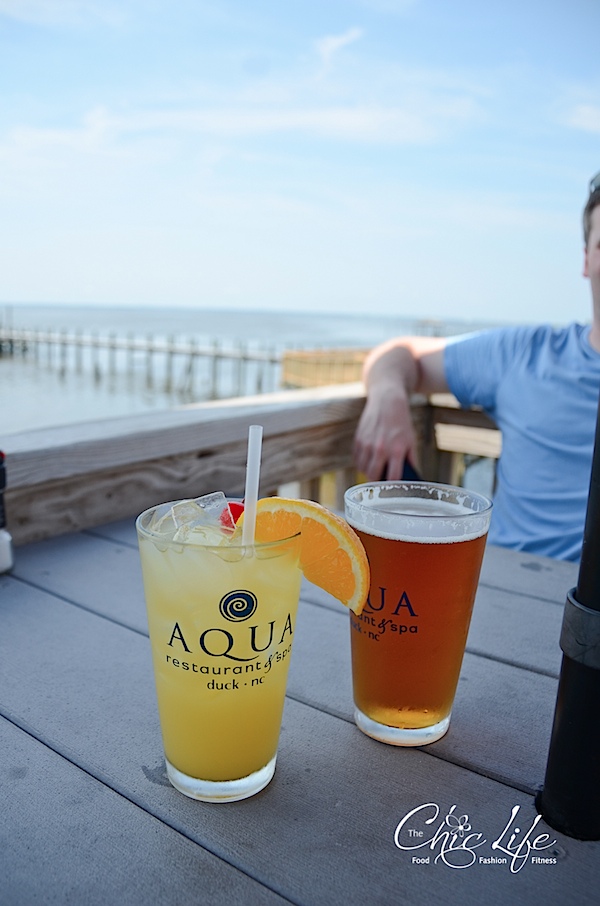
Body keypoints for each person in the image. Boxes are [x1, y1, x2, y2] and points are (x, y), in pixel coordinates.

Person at [353, 173, 600, 562]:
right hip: (507, 587)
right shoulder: (526, 353)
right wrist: (387, 396)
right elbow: (399, 354)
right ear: (586, 259)